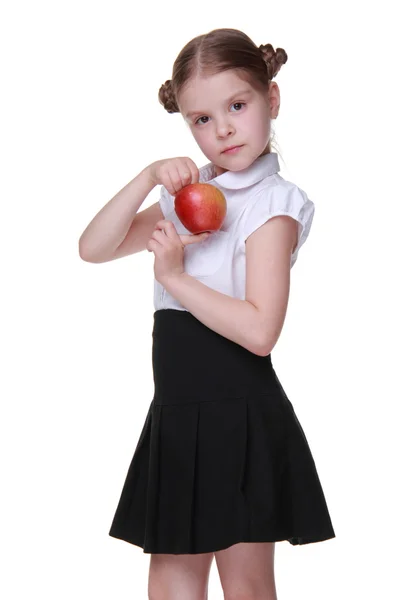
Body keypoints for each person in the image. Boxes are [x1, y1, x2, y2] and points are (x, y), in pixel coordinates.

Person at [79, 27, 335, 600]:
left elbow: (261, 330)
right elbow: (93, 247)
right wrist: (148, 178)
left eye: (237, 106)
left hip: (237, 410)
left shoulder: (272, 205)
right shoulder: (189, 197)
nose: (221, 130)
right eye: (200, 119)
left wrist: (172, 277)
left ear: (272, 100)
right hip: (177, 413)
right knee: (170, 582)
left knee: (245, 583)